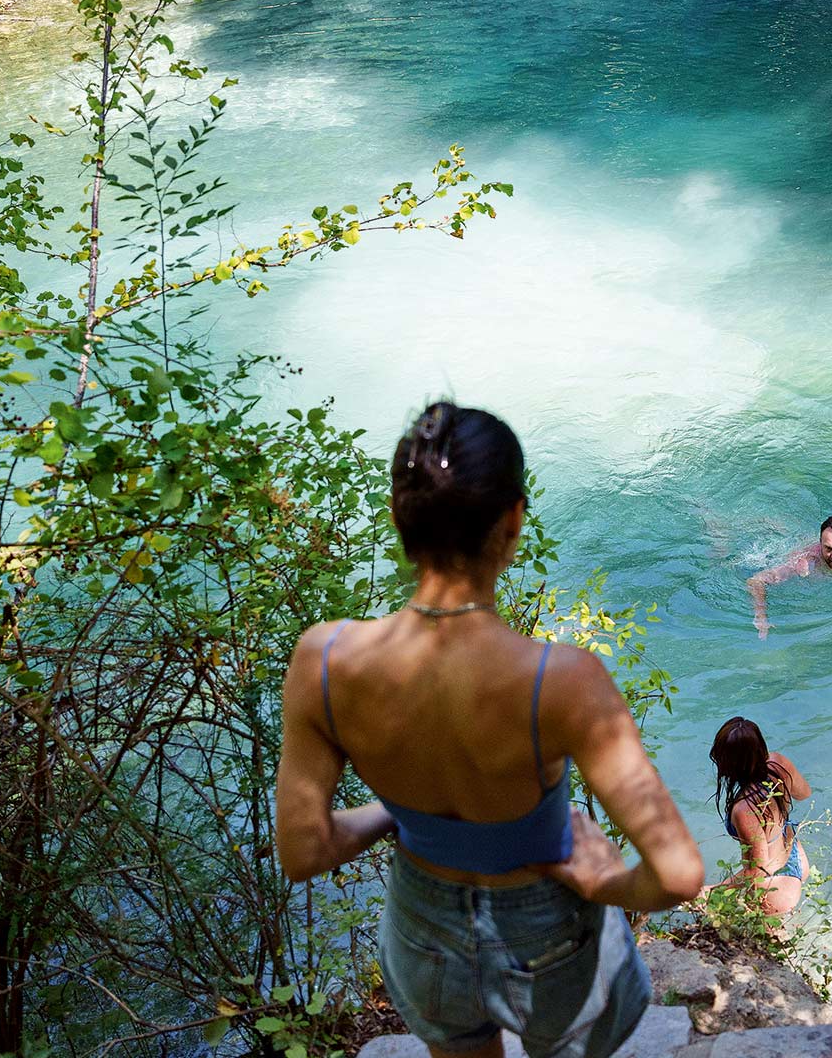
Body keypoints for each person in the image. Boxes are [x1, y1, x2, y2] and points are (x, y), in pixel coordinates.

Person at [274, 402, 704, 1058]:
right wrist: (604, 882)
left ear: (399, 520)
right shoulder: (561, 682)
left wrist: (399, 813)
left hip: (422, 930)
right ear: (513, 521)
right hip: (547, 935)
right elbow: (676, 874)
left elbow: (303, 852)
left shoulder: (325, 661)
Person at [705, 716, 814, 916]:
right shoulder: (779, 764)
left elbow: (756, 871)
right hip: (796, 859)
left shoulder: (744, 809)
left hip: (774, 887)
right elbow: (805, 793)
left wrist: (710, 892)